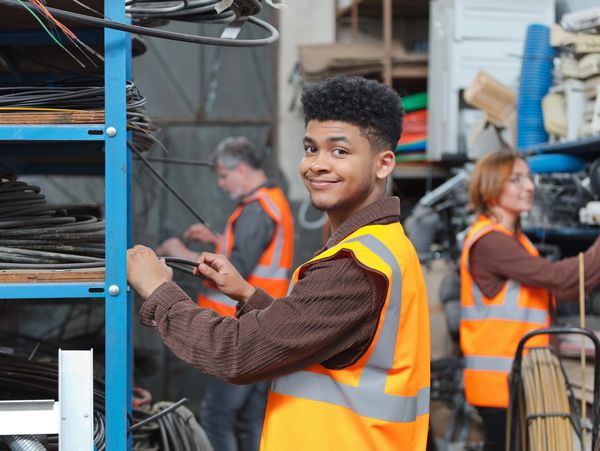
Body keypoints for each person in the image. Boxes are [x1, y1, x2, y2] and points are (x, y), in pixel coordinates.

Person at [127, 75, 431, 451]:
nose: (317, 165)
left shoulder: (356, 266)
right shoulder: (384, 244)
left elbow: (236, 353)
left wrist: (159, 291)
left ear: (384, 164)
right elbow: (326, 338)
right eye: (310, 148)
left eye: (339, 152)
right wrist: (249, 295)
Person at [155, 136, 295, 451]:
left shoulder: (258, 210)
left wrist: (180, 251)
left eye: (223, 175)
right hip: (262, 328)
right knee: (249, 420)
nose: (220, 183)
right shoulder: (268, 203)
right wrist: (217, 240)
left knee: (218, 417)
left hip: (241, 331)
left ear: (242, 169)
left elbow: (238, 270)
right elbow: (251, 256)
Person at [460, 150, 600, 451]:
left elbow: (561, 288)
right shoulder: (490, 242)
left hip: (519, 377)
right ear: (491, 187)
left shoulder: (515, 240)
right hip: (501, 381)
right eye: (516, 179)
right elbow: (560, 278)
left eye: (528, 177)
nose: (530, 186)